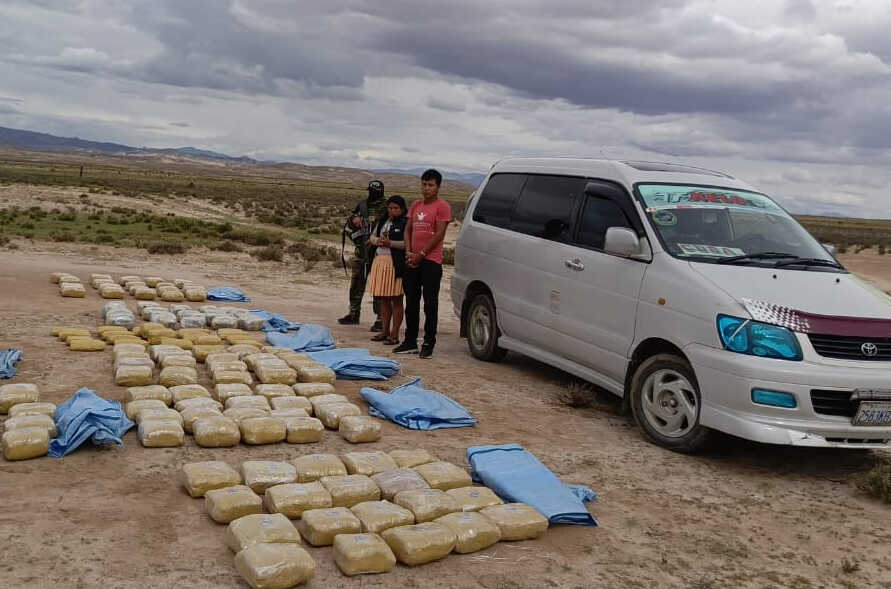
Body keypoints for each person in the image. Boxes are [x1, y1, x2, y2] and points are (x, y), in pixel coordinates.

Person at [394, 169, 451, 358]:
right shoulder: (416, 205)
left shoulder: (442, 206)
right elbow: (407, 230)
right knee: (411, 301)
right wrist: (409, 252)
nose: (426, 188)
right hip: (412, 260)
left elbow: (439, 233)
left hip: (431, 261)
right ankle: (410, 341)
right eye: (424, 184)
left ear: (438, 187)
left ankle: (428, 342)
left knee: (430, 303)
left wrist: (422, 254)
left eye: (430, 185)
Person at [338, 179, 388, 329]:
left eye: (374, 191)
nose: (372, 194)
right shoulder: (362, 205)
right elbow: (351, 221)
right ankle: (353, 313)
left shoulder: (387, 207)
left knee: (379, 286)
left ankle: (381, 318)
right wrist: (354, 219)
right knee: (356, 284)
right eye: (370, 191)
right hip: (362, 251)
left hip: (380, 253)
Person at [366, 195, 408, 345]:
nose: (392, 211)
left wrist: (390, 243)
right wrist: (378, 241)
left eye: (396, 208)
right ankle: (384, 331)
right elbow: (372, 237)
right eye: (390, 208)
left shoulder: (406, 222)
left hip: (396, 263)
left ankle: (394, 334)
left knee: (396, 299)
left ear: (402, 209)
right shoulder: (383, 220)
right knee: (383, 299)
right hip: (380, 261)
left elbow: (407, 244)